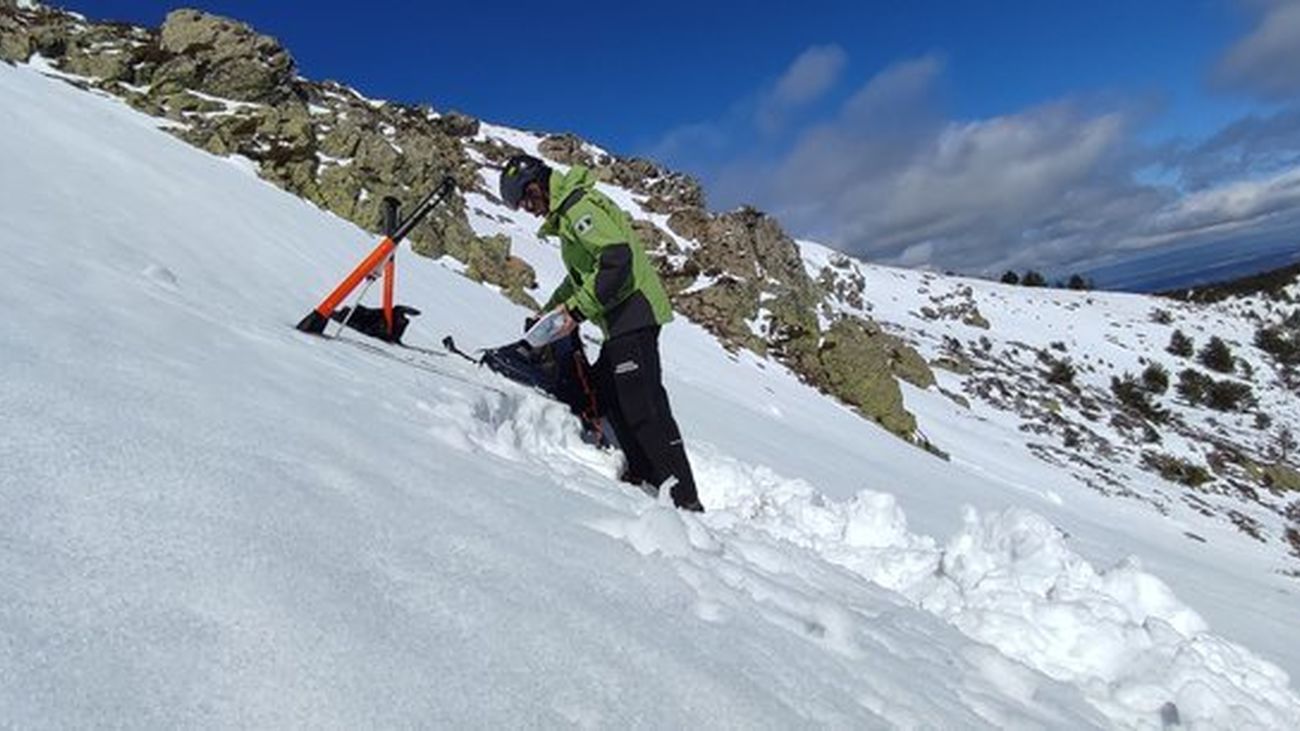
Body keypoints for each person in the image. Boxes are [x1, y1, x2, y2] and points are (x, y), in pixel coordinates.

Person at [499, 154, 703, 512]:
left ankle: (684, 500)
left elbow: (616, 262)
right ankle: (643, 473)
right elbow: (579, 276)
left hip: (633, 316)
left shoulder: (579, 210)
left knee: (644, 408)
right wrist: (550, 311)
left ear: (535, 186)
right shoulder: (569, 214)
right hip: (620, 322)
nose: (529, 210)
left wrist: (577, 311)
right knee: (610, 394)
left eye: (527, 201)